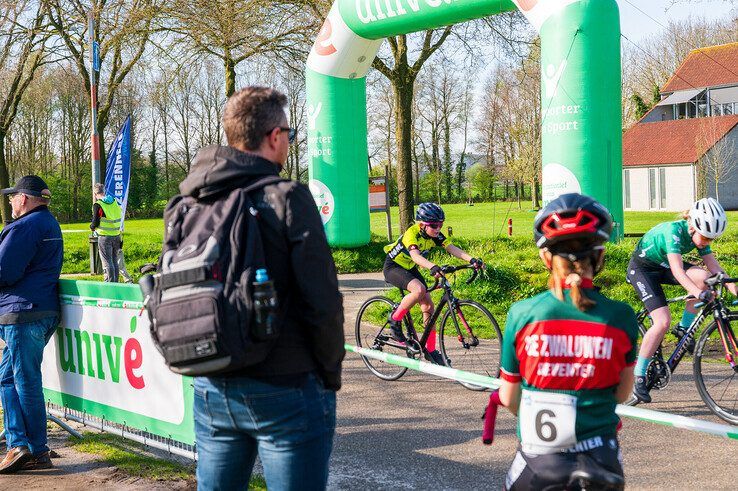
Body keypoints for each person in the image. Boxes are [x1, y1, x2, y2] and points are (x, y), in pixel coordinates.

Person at [189, 86, 344, 490]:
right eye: (289, 134)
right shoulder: (287, 197)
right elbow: (323, 301)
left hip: (211, 382)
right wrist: (329, 375)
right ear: (275, 136)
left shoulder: (190, 202)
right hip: (286, 385)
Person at [498, 193, 637, 490]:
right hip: (601, 456)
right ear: (599, 256)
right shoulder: (621, 317)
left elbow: (509, 398)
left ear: (546, 257)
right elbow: (623, 393)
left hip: (539, 458)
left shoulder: (522, 314)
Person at [627, 197, 736, 403]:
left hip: (663, 266)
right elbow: (678, 271)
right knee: (662, 321)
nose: (706, 242)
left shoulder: (698, 236)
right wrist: (697, 293)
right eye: (705, 237)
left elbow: (714, 268)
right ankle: (639, 374)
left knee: (705, 278)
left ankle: (683, 329)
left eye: (711, 240)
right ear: (693, 226)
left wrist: (732, 287)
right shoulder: (673, 232)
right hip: (643, 269)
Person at [0, 176, 63, 474]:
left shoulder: (24, 226)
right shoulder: (49, 224)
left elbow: (6, 272)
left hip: (23, 312)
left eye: (13, 196)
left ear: (23, 198)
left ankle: (33, 448)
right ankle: (21, 443)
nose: (11, 201)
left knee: (24, 381)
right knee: (9, 378)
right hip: (38, 310)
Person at [383, 202, 484, 364]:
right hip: (393, 267)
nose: (438, 228)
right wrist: (432, 266)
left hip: (410, 268)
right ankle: (394, 320)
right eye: (434, 225)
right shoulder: (412, 234)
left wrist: (471, 259)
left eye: (441, 224)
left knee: (429, 306)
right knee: (419, 290)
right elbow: (415, 256)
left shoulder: (434, 235)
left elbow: (452, 248)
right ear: (422, 225)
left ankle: (430, 351)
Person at [90, 183, 123, 282]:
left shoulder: (98, 205)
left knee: (107, 262)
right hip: (116, 235)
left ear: (95, 194)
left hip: (105, 237)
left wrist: (92, 227)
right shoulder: (114, 201)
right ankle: (115, 282)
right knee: (114, 261)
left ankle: (110, 284)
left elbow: (95, 221)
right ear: (104, 191)